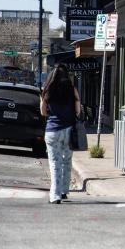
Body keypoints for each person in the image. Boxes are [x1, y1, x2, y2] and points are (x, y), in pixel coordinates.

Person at [40, 65, 81, 204]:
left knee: (54, 162)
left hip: (52, 130)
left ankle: (55, 195)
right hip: (69, 129)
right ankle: (64, 191)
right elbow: (78, 110)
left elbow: (43, 112)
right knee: (66, 160)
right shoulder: (71, 89)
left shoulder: (48, 90)